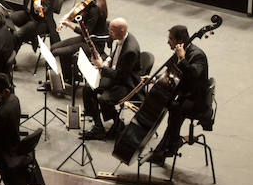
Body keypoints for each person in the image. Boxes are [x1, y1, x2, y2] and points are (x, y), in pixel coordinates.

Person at [149, 25, 210, 165]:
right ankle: (167, 146)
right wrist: (153, 79)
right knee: (173, 106)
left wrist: (182, 59)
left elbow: (193, 75)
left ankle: (169, 145)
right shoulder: (179, 52)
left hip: (196, 101)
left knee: (175, 108)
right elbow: (171, 72)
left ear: (180, 40)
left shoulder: (197, 55)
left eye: (170, 39)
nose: (168, 42)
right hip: (186, 95)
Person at [80, 18, 140, 140]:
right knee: (88, 88)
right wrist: (107, 61)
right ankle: (98, 127)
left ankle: (118, 123)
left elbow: (120, 76)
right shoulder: (121, 38)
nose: (109, 32)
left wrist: (101, 67)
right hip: (116, 74)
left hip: (126, 83)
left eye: (112, 30)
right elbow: (114, 55)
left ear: (122, 30)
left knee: (104, 99)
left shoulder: (130, 51)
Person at [50, 0, 108, 85]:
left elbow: (85, 31)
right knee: (53, 47)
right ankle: (67, 77)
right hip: (85, 39)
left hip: (93, 44)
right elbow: (83, 21)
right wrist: (71, 17)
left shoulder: (95, 8)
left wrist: (69, 24)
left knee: (58, 52)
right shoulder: (90, 3)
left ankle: (70, 78)